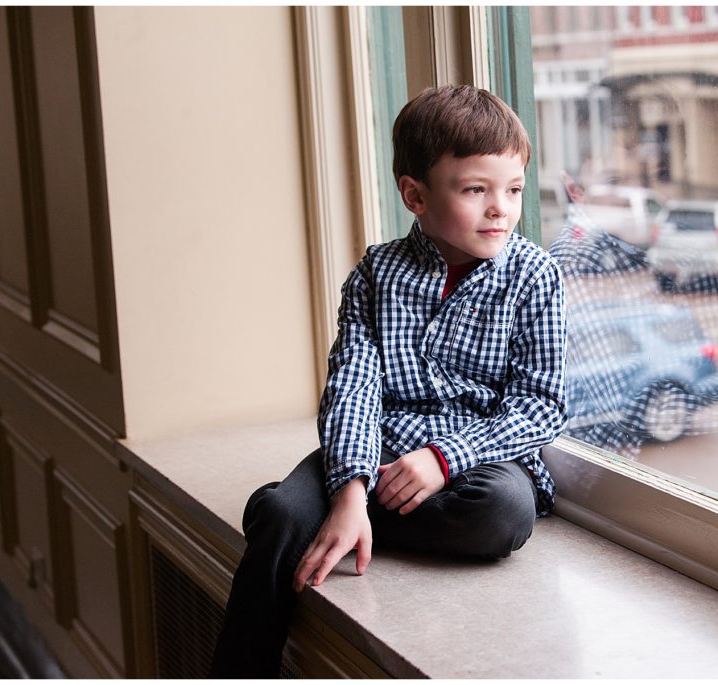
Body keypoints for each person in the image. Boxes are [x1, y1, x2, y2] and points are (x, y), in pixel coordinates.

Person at [209, 85, 568, 678]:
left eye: (513, 190)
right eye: (476, 190)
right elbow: (352, 385)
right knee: (283, 515)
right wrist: (351, 488)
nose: (501, 209)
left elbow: (540, 406)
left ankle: (303, 519)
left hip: (475, 461)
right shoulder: (377, 274)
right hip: (371, 449)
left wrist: (442, 459)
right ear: (415, 195)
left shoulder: (535, 277)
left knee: (503, 512)